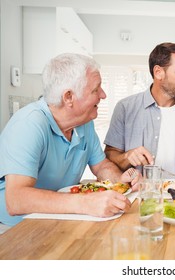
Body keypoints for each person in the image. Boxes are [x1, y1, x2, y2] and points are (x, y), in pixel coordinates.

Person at [0, 53, 140, 227]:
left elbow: (102, 166)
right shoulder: (29, 124)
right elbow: (16, 201)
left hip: (59, 219)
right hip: (15, 229)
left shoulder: (84, 123)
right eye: (96, 89)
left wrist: (119, 181)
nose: (103, 95)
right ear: (68, 97)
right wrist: (85, 203)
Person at [104, 42, 175, 177]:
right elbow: (110, 155)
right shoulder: (125, 108)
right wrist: (127, 156)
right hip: (139, 193)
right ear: (158, 72)